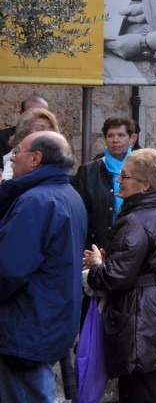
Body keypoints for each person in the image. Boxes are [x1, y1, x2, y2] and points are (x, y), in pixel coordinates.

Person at [83, 149, 156, 402]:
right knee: (147, 385)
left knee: (140, 390)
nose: (119, 181)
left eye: (124, 176)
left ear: (144, 185)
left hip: (142, 315)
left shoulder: (137, 220)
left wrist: (97, 266)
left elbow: (116, 277)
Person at [0, 131, 86, 402]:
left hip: (26, 327)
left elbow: (9, 268)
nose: (12, 159)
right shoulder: (66, 194)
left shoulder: (37, 201)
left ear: (35, 159)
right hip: (44, 321)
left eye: (17, 152)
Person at [72, 116, 138, 254]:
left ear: (132, 139)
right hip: (96, 247)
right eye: (110, 136)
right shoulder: (88, 171)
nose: (115, 140)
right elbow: (77, 213)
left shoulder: (142, 169)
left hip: (134, 245)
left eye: (121, 135)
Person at [1, 108, 61, 181]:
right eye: (40, 129)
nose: (47, 133)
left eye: (51, 130)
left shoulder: (58, 161)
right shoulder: (14, 157)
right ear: (24, 133)